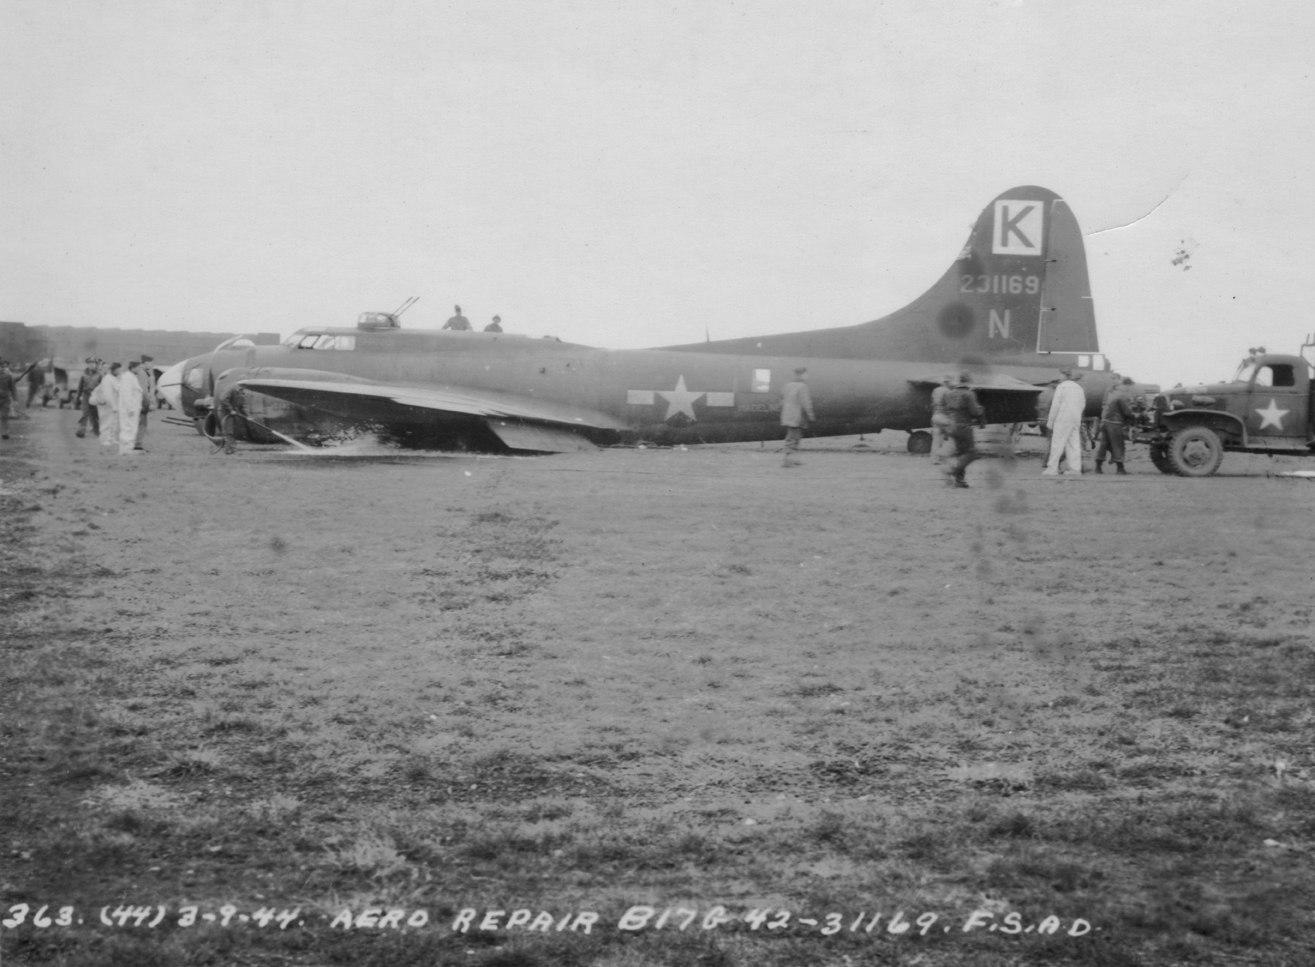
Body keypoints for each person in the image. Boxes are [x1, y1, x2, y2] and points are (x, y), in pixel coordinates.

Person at [942, 370, 986, 488]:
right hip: (964, 427)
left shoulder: (950, 393)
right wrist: (981, 409)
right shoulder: (968, 394)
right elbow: (975, 411)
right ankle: (951, 469)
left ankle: (959, 481)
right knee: (971, 453)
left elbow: (947, 410)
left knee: (961, 453)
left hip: (952, 426)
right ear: (968, 381)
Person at [1043, 368, 1085, 477]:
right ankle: (1075, 470)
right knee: (1074, 444)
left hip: (1063, 417)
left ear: (1064, 375)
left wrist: (1051, 420)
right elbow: (1082, 404)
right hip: (1075, 418)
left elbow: (1056, 404)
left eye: (1061, 375)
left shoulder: (1061, 387)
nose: (1060, 377)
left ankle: (1052, 469)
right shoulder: (1078, 388)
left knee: (1057, 444)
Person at [1094, 376, 1136, 475]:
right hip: (1115, 422)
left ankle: (1098, 468)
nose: (1130, 389)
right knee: (1118, 445)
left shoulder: (1112, 392)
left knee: (1103, 445)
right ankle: (1120, 469)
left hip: (1105, 421)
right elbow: (1126, 412)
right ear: (1127, 385)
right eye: (1130, 386)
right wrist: (1134, 416)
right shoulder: (1122, 394)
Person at [780, 367, 815, 467]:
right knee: (793, 438)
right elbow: (806, 403)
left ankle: (793, 459)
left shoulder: (788, 385)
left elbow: (782, 398)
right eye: (806, 374)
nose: (807, 376)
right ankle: (787, 461)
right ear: (800, 375)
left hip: (788, 415)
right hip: (797, 416)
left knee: (794, 437)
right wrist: (811, 415)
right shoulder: (802, 386)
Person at [117, 360, 145, 455]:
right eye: (137, 368)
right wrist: (130, 408)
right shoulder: (128, 377)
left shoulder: (131, 377)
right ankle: (126, 449)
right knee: (128, 427)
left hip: (133, 407)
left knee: (131, 428)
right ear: (132, 368)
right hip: (129, 408)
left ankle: (127, 448)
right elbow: (126, 394)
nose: (139, 369)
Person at [90, 363, 121, 447]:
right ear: (113, 370)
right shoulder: (108, 379)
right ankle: (104, 439)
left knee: (113, 422)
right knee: (105, 421)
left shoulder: (114, 378)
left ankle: (111, 438)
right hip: (105, 404)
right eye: (118, 370)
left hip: (112, 404)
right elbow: (108, 394)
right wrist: (113, 405)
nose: (119, 371)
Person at [929, 373, 954, 465]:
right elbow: (949, 406)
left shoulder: (935, 390)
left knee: (936, 440)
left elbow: (932, 404)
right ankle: (947, 457)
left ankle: (934, 459)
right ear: (947, 382)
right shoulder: (947, 391)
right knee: (953, 437)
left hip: (935, 416)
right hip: (944, 417)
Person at [217, 381, 246, 455]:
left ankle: (232, 448)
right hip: (225, 412)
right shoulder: (230, 388)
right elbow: (223, 399)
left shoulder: (241, 391)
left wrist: (247, 416)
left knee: (234, 431)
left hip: (234, 413)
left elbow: (241, 406)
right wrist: (231, 410)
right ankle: (229, 449)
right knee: (229, 431)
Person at [133, 355, 155, 450]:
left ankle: (135, 443)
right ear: (146, 362)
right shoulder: (143, 373)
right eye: (151, 362)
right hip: (141, 403)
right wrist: (148, 404)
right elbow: (143, 390)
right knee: (142, 423)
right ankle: (138, 444)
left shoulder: (139, 372)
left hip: (136, 402)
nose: (152, 364)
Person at [75, 361, 102, 438]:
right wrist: (78, 396)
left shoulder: (99, 374)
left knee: (94, 414)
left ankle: (96, 431)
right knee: (85, 412)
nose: (92, 365)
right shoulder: (84, 374)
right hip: (85, 394)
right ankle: (80, 431)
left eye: (93, 364)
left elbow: (102, 386)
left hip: (95, 395)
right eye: (90, 364)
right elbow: (80, 386)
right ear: (88, 365)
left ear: (96, 365)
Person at [0, 359, 17, 439]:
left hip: (5, 399)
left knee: (4, 416)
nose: (2, 368)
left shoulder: (8, 376)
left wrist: (15, 399)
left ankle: (4, 433)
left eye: (2, 366)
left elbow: (12, 388)